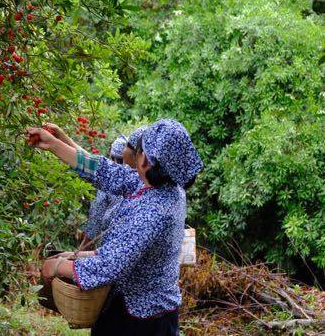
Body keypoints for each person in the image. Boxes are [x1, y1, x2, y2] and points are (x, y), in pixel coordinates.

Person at [28, 119, 203, 336]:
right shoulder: (164, 184)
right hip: (136, 307)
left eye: (138, 150)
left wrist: (55, 267)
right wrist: (57, 143)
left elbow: (109, 265)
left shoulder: (153, 212)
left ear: (146, 162)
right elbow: (104, 171)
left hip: (141, 321)